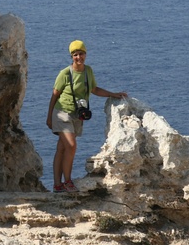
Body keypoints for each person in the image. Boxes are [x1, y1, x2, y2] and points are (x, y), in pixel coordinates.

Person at [46, 40, 128, 193]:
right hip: (61, 113)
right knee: (71, 146)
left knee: (62, 148)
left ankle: (57, 185)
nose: (79, 57)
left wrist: (113, 94)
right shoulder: (65, 73)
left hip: (77, 115)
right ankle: (68, 182)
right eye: (75, 55)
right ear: (72, 57)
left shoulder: (88, 71)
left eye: (81, 54)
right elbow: (54, 96)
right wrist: (49, 117)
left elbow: (94, 89)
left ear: (85, 54)